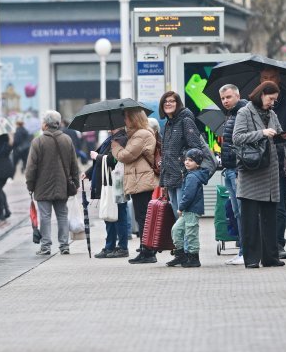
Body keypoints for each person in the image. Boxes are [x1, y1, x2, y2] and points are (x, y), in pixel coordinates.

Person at [232, 81, 286, 269]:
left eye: (275, 100)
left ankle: (271, 257)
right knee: (250, 219)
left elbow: (277, 134)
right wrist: (261, 133)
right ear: (261, 94)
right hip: (252, 171)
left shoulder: (272, 114)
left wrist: (284, 136)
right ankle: (252, 259)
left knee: (270, 217)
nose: (272, 103)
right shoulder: (244, 112)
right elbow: (237, 138)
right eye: (271, 99)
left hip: (270, 171)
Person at [25, 110, 80, 255]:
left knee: (45, 216)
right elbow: (74, 164)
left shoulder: (38, 142)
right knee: (62, 215)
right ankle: (64, 245)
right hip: (63, 185)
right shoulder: (67, 140)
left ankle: (46, 246)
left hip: (42, 187)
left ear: (45, 124)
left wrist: (30, 185)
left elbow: (31, 167)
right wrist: (75, 183)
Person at [111, 108, 159, 264]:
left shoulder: (142, 134)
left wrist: (115, 145)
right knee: (142, 216)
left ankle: (148, 252)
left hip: (143, 181)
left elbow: (125, 156)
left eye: (126, 118)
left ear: (133, 118)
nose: (124, 121)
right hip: (139, 180)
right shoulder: (137, 134)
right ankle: (145, 249)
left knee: (144, 217)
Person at [259, 66, 286, 260]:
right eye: (264, 78)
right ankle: (263, 243)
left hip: (281, 158)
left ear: (279, 79)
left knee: (279, 203)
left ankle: (278, 242)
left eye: (271, 77)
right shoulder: (252, 106)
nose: (268, 80)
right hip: (258, 161)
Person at [159, 91, 206, 216]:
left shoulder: (185, 120)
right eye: (165, 101)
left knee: (183, 216)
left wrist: (182, 158)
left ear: (178, 103)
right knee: (176, 217)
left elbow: (196, 147)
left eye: (171, 101)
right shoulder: (168, 124)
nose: (168, 103)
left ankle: (186, 237)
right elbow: (166, 154)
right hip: (170, 177)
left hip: (182, 176)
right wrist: (162, 183)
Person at [87, 129, 130, 259]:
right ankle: (109, 246)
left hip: (117, 182)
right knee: (108, 215)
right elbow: (103, 158)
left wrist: (97, 157)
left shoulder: (121, 139)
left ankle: (122, 247)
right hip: (109, 183)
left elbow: (114, 160)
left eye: (110, 126)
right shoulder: (111, 139)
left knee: (120, 215)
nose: (107, 128)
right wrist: (88, 172)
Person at [218, 84, 247, 265]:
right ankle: (242, 250)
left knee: (242, 212)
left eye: (228, 97)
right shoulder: (231, 115)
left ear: (237, 95)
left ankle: (246, 251)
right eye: (223, 98)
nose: (225, 101)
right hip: (229, 168)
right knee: (237, 213)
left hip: (237, 169)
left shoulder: (243, 112)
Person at [167, 148, 208, 268]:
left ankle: (194, 257)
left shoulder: (192, 177)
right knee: (176, 230)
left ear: (198, 163)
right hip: (188, 210)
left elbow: (188, 195)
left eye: (190, 160)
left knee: (191, 233)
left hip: (191, 209)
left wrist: (181, 207)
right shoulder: (190, 175)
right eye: (186, 160)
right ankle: (181, 254)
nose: (187, 162)